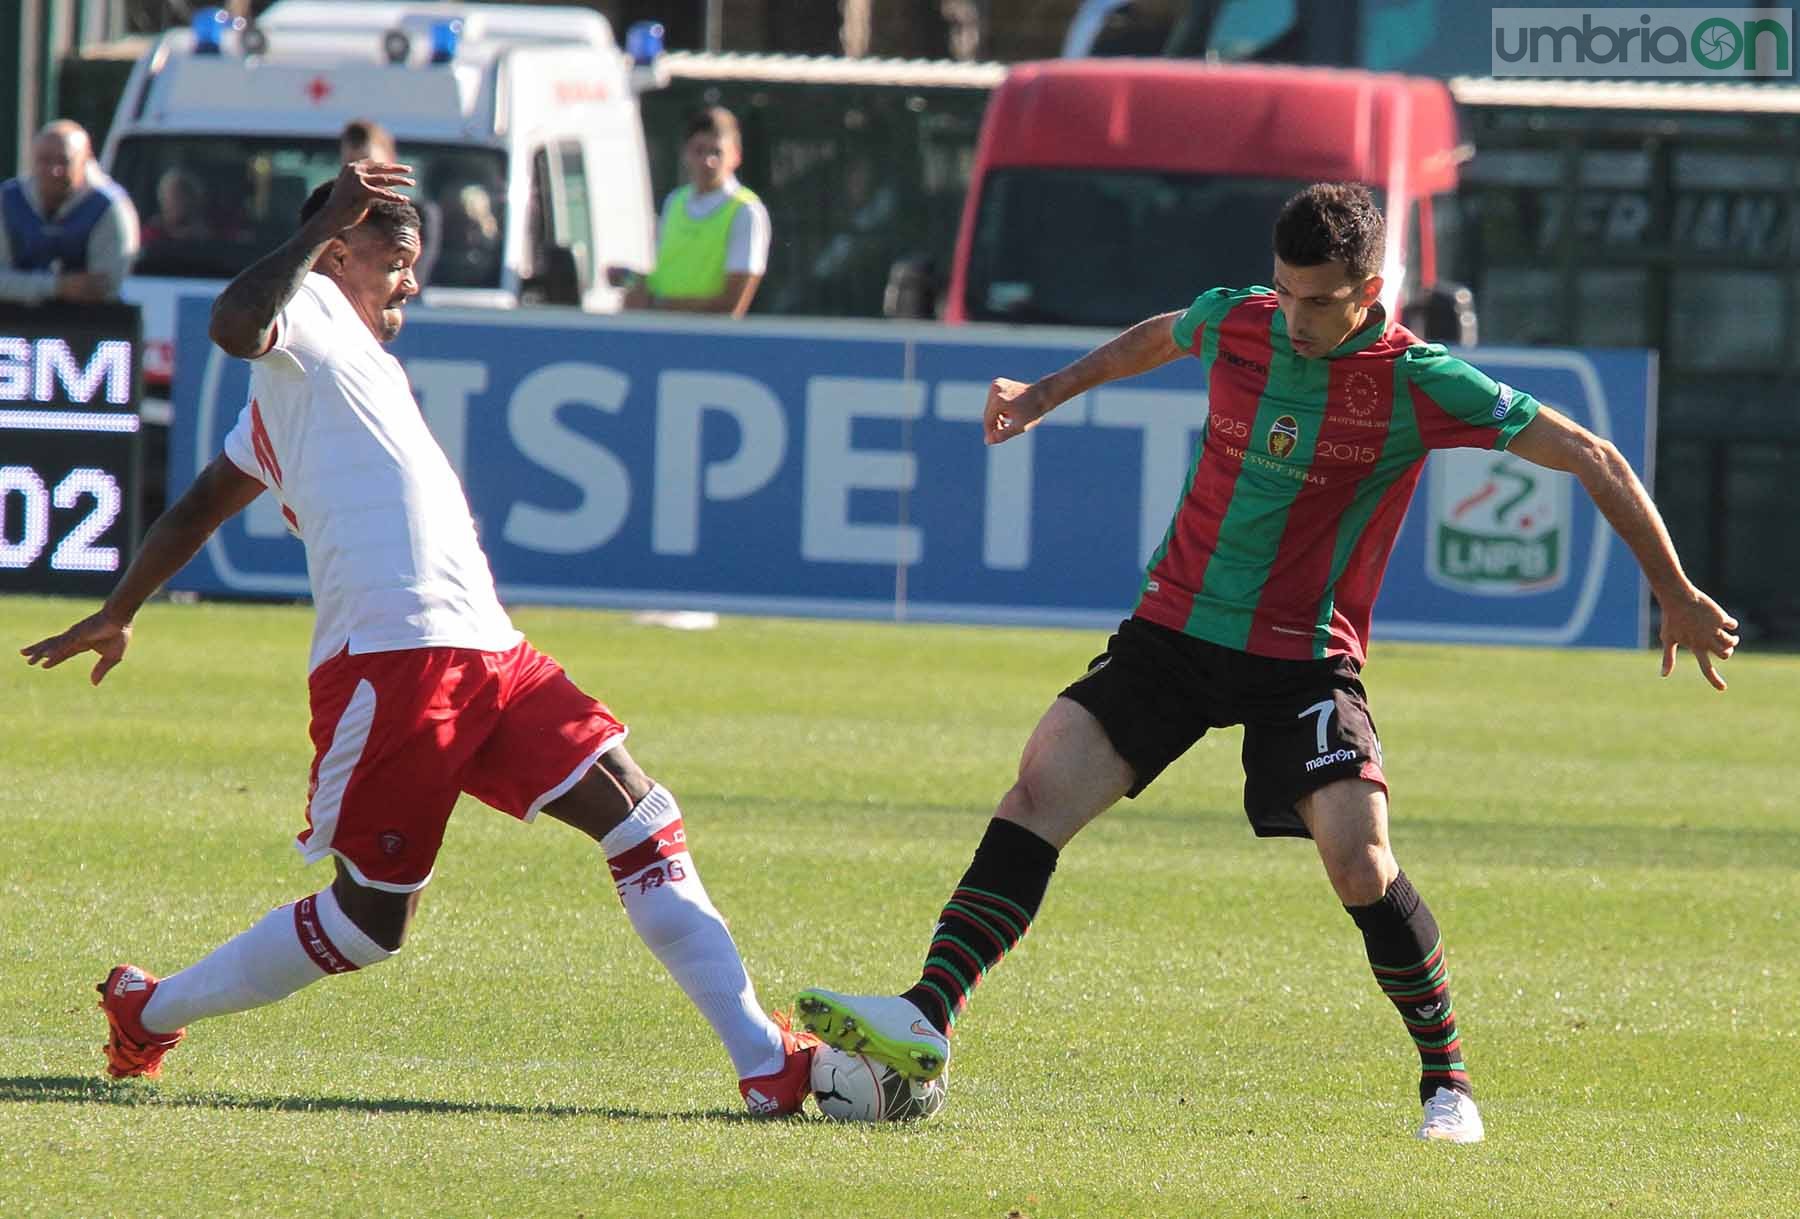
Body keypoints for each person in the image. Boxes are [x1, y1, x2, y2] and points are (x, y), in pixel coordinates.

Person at [794, 182, 1739, 1144]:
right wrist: (1039, 397)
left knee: (1358, 857)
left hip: (1303, 662)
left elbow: (1592, 453)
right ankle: (927, 1010)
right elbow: (1157, 336)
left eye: (1317, 299)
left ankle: (1448, 1081)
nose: (1291, 316)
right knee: (1039, 787)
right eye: (1283, 290)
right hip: (1174, 633)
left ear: (1370, 291)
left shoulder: (1420, 381)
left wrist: (1672, 589)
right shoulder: (1241, 321)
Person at [20, 158, 818, 1117]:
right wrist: (319, 235)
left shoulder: (331, 367)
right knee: (369, 921)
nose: (412, 283)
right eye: (398, 261)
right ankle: (148, 1011)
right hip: (395, 659)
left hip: (488, 648)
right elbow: (233, 327)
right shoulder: (308, 309)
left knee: (642, 817)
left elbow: (195, 507)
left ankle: (765, 1059)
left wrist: (124, 604)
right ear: (342, 250)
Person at [620, 107, 769, 317]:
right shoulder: (675, 202)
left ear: (735, 156)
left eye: (716, 152)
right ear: (686, 154)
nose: (708, 161)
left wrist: (658, 306)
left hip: (707, 341)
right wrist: (631, 281)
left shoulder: (745, 211)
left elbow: (731, 306)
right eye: (699, 150)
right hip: (663, 335)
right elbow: (665, 277)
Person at [0, 119, 139, 304]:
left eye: (64, 161)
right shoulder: (8, 200)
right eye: (44, 160)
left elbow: (104, 287)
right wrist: (58, 286)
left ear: (85, 160)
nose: (54, 170)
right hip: (14, 326)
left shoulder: (109, 207)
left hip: (90, 326)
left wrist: (20, 285)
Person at [142, 168, 210, 243]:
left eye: (183, 195)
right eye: (174, 197)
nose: (180, 202)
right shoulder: (151, 233)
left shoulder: (210, 230)